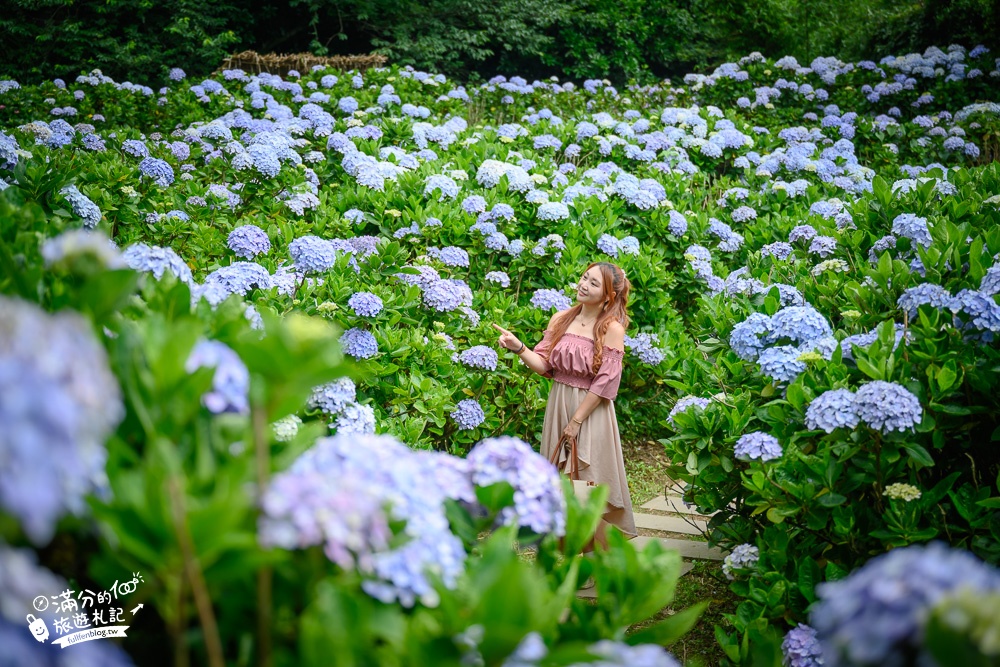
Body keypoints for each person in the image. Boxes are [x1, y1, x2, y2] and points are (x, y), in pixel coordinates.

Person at [492, 261, 637, 548]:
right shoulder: (561, 318)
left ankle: (603, 557)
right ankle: (582, 557)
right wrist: (519, 347)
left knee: (587, 486)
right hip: (558, 404)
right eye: (584, 278)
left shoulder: (612, 329)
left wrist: (577, 421)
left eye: (594, 283)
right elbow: (544, 365)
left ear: (608, 295)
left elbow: (604, 383)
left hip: (591, 412)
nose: (584, 285)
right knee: (564, 487)